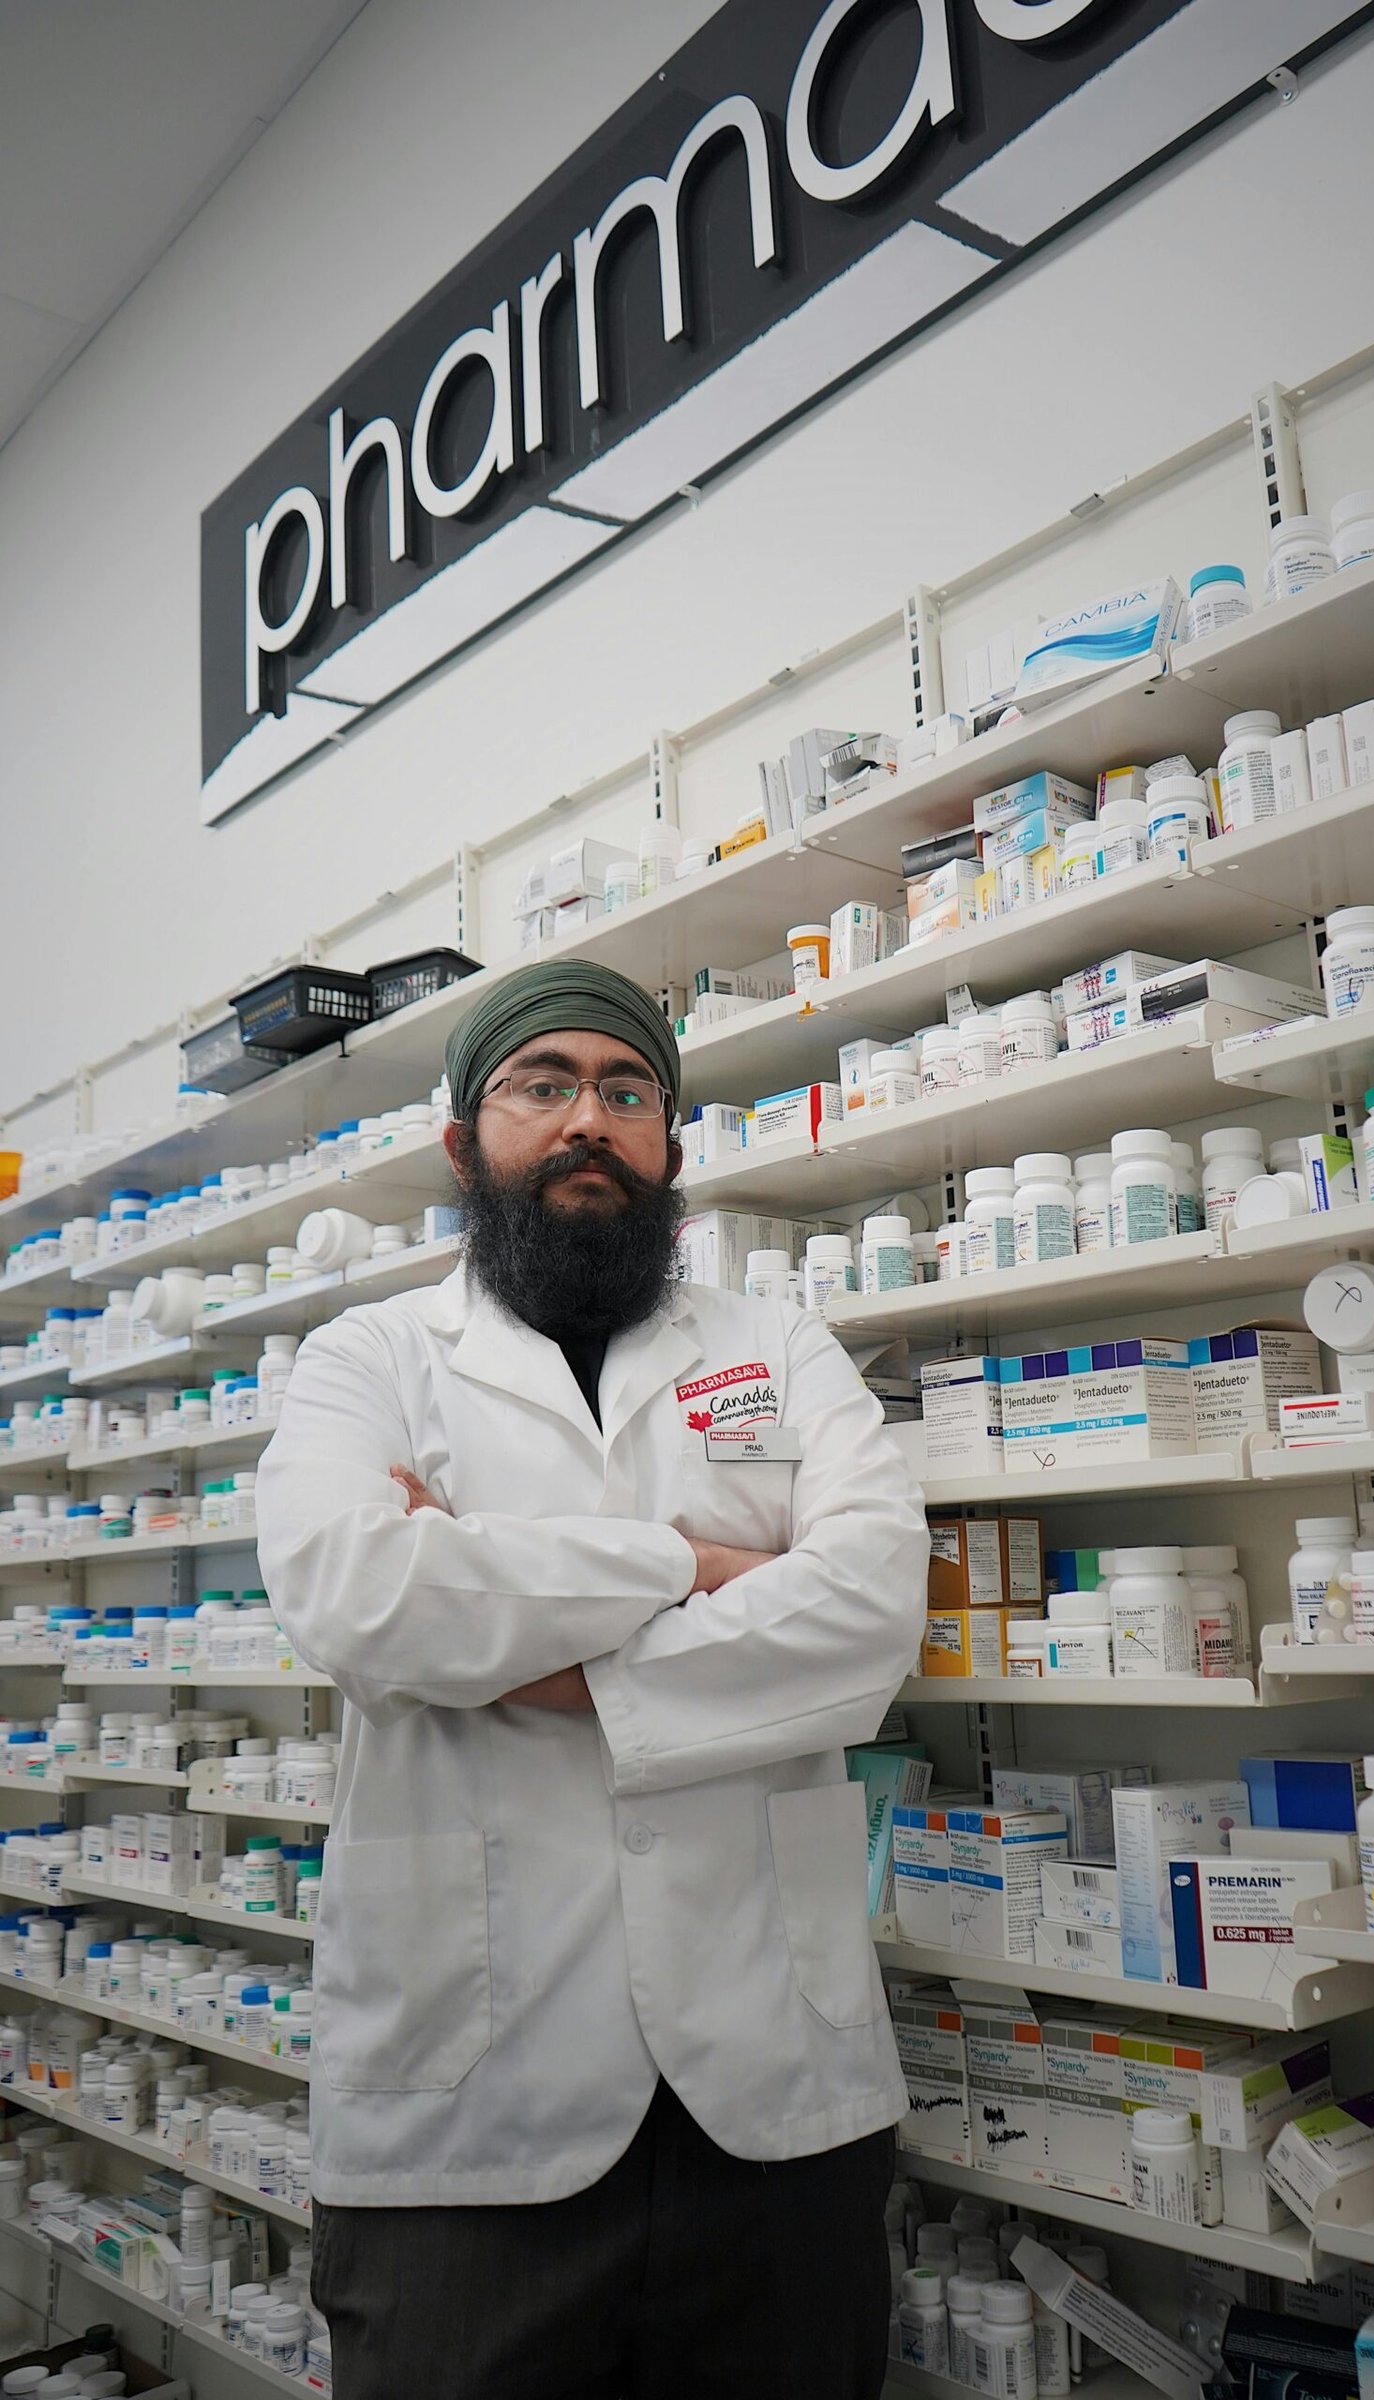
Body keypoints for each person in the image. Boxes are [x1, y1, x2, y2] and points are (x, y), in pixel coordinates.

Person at [256, 957, 930, 2400]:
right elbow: (360, 1593)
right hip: (470, 2116)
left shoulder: (776, 1346)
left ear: (672, 1146)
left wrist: (523, 1633)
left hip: (776, 2100)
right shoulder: (368, 1358)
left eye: (628, 1092)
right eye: (541, 1086)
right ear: (464, 1142)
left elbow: (872, 1617)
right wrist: (697, 1565)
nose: (589, 1121)